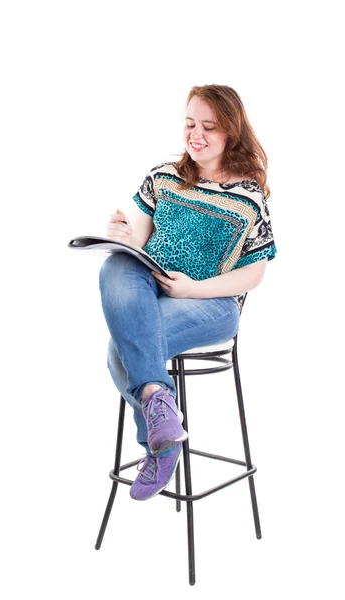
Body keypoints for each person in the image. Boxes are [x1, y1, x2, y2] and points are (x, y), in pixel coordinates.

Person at [98, 84, 277, 501]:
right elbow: (137, 246)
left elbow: (254, 274)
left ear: (230, 133)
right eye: (190, 123)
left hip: (212, 305)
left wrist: (193, 288)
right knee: (116, 263)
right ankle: (161, 411)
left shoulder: (248, 195)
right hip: (151, 295)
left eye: (208, 127)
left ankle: (158, 444)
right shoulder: (163, 176)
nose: (195, 134)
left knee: (118, 349)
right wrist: (121, 235)